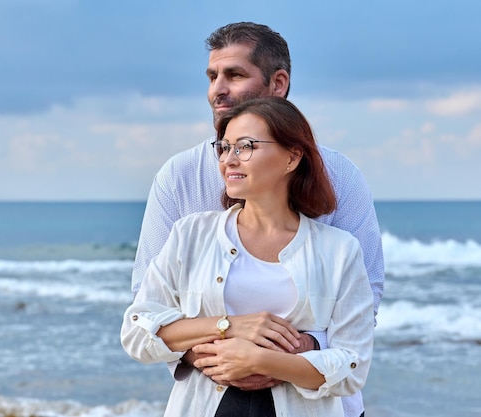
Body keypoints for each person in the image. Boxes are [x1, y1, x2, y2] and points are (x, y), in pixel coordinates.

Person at [130, 22, 383, 417]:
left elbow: (365, 301)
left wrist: (280, 355)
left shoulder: (341, 178)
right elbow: (147, 309)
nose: (218, 89)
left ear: (278, 82)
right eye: (212, 76)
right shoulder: (179, 180)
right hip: (210, 396)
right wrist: (222, 348)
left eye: (234, 74)